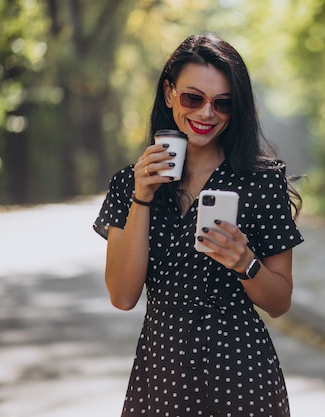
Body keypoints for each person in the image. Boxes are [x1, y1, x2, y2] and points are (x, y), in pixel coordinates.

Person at [93, 33, 303, 417]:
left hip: (242, 377)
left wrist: (246, 263)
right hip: (160, 377)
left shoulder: (262, 180)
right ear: (170, 92)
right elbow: (122, 297)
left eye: (223, 103)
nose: (207, 114)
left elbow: (280, 302)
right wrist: (143, 197)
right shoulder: (129, 183)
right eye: (193, 98)